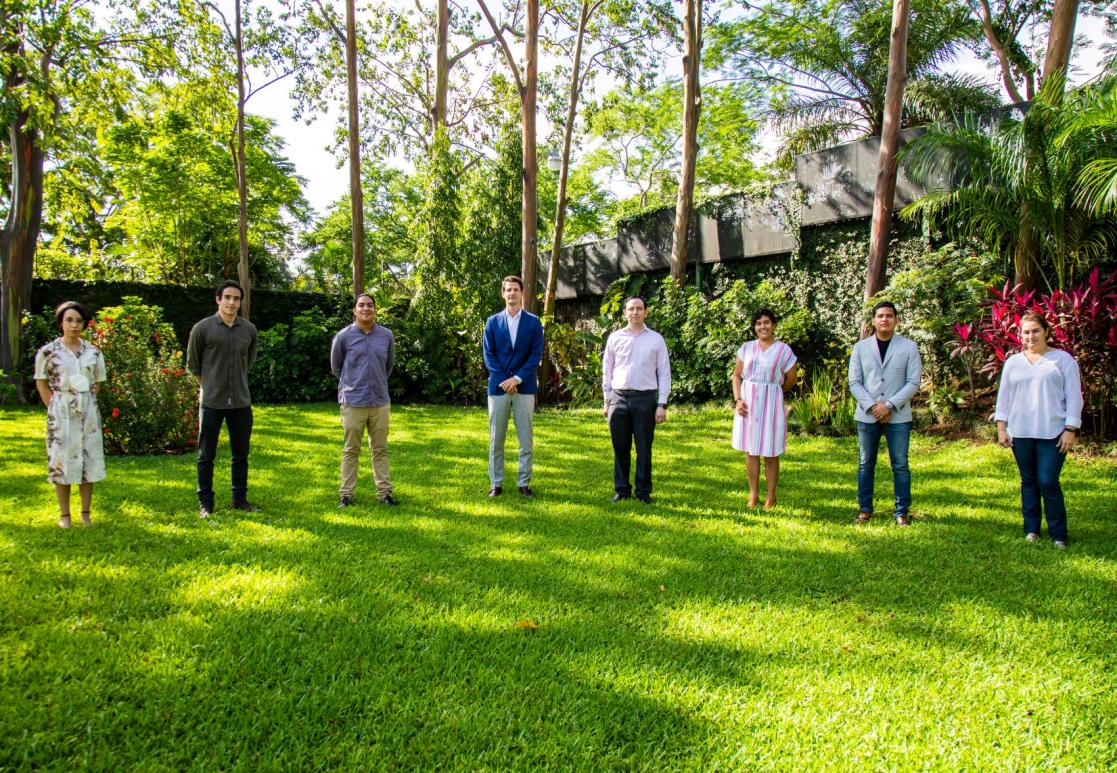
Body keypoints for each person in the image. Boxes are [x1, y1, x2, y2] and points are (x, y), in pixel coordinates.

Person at [994, 312, 1083, 548]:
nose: (1030, 336)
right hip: (1021, 433)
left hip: (1053, 432)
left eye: (1035, 331)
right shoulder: (1013, 362)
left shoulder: (1063, 361)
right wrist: (1002, 427)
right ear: (1019, 335)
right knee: (1029, 481)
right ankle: (1031, 529)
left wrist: (1070, 428)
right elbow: (1004, 398)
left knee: (1048, 481)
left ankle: (1058, 535)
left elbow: (1075, 397)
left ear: (1046, 332)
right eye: (1026, 332)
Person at [186, 280, 259, 518]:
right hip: (211, 403)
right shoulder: (202, 328)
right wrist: (209, 386)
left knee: (241, 454)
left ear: (240, 302)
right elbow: (193, 365)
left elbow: (248, 362)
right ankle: (205, 503)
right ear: (218, 299)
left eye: (236, 298)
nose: (231, 302)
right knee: (206, 455)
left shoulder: (248, 330)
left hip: (240, 402)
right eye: (227, 297)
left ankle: (240, 499)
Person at [848, 300, 922, 526]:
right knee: (865, 463)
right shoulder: (860, 348)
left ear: (896, 320)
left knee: (900, 464)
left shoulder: (909, 347)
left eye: (889, 316)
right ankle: (865, 509)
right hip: (867, 415)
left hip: (897, 416)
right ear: (873, 320)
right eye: (880, 316)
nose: (885, 319)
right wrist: (873, 407)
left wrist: (888, 405)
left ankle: (901, 511)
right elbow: (854, 381)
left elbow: (913, 382)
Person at [34, 301, 107, 528]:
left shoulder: (93, 351)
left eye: (78, 321)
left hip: (87, 410)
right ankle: (64, 515)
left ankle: (85, 513)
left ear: (84, 324)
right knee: (62, 461)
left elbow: (98, 381)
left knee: (89, 460)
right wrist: (53, 408)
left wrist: (88, 396)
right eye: (69, 320)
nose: (74, 325)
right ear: (61, 322)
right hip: (62, 409)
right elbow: (42, 383)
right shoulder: (48, 352)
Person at [602, 295, 671, 504]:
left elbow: (664, 373)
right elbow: (607, 370)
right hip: (618, 398)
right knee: (620, 447)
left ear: (646, 312)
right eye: (631, 309)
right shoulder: (615, 337)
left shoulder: (656, 339)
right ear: (625, 313)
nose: (635, 312)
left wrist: (662, 404)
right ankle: (622, 489)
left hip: (646, 400)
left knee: (643, 448)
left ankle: (643, 492)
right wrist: (607, 399)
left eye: (639, 308)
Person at [331, 292, 397, 507]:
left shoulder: (386, 336)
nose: (366, 308)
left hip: (379, 401)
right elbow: (336, 367)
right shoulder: (343, 337)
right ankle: (347, 495)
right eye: (361, 305)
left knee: (380, 449)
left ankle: (385, 493)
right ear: (354, 310)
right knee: (351, 450)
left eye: (370, 305)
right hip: (353, 401)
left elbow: (388, 366)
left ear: (375, 309)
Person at [482, 275, 544, 498]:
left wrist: (517, 379)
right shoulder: (492, 322)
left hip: (524, 388)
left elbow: (535, 355)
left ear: (522, 293)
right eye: (507, 290)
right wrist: (504, 381)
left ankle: (524, 482)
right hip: (498, 389)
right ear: (502, 293)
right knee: (496, 439)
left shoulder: (534, 322)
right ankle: (496, 483)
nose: (511, 293)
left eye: (515, 290)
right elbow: (489, 355)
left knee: (525, 439)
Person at [732, 308, 798, 509]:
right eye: (759, 323)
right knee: (751, 450)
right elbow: (736, 375)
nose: (763, 327)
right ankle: (753, 494)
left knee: (771, 450)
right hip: (748, 402)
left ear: (774, 324)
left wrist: (774, 392)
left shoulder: (783, 350)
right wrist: (739, 399)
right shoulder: (747, 348)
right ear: (754, 327)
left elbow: (790, 379)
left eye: (767, 322)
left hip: (771, 402)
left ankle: (771, 496)